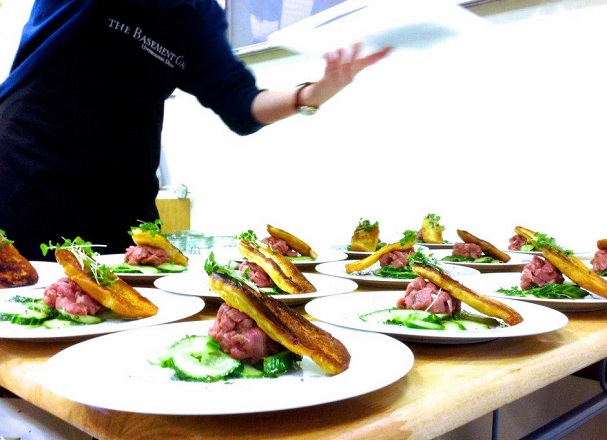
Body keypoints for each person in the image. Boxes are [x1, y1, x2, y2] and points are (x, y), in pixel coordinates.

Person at [0, 0, 391, 261]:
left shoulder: (198, 13)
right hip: (29, 169)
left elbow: (241, 106)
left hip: (122, 196)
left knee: (115, 324)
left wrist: (313, 92)